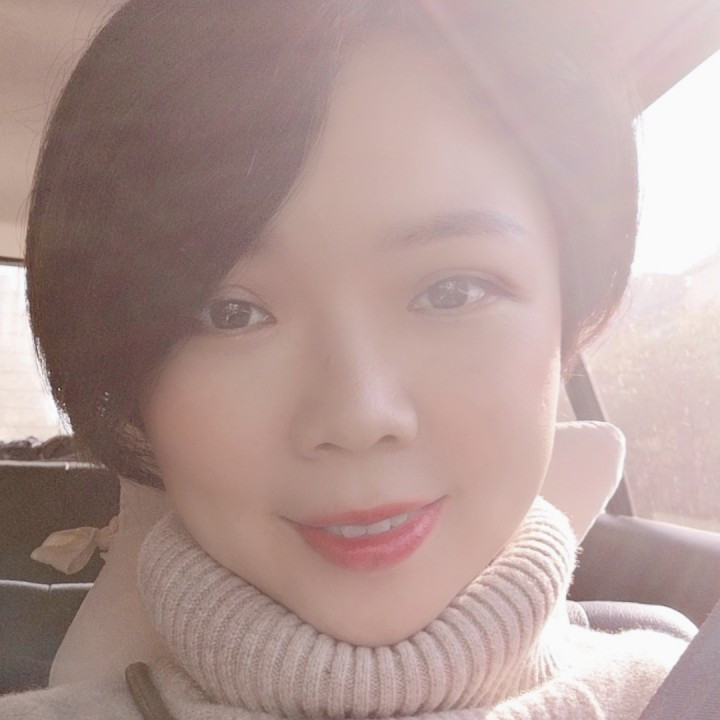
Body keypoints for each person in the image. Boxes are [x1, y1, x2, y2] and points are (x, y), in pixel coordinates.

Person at [2, 1, 685, 717]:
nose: (359, 415)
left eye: (451, 291)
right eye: (229, 313)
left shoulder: (686, 689)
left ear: (568, 311)